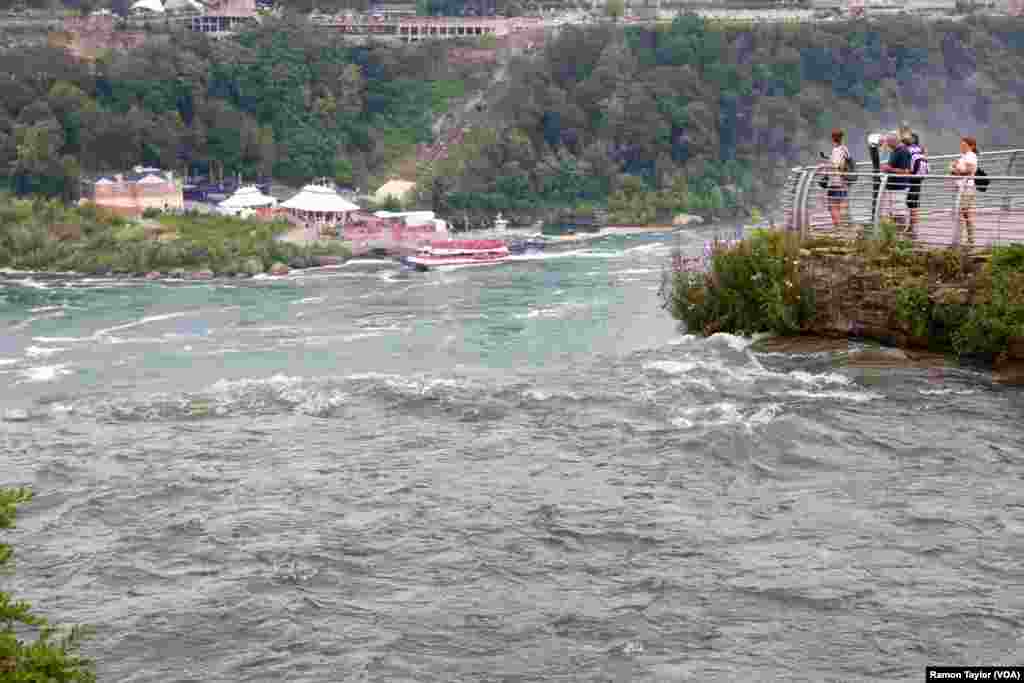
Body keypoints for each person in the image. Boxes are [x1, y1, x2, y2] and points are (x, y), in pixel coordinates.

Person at [881, 129, 913, 229]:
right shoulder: (894, 151)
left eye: (888, 142)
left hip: (899, 188)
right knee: (892, 212)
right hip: (892, 187)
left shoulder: (903, 151)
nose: (887, 145)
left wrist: (889, 169)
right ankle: (895, 233)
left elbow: (906, 172)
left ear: (893, 141)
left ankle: (901, 233)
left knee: (899, 213)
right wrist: (886, 168)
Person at [950, 135, 978, 248]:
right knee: (966, 214)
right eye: (961, 144)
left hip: (967, 188)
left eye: (964, 145)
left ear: (971, 146)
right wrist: (954, 169)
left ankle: (959, 241)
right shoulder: (964, 156)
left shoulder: (970, 156)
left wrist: (955, 170)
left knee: (961, 213)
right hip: (962, 187)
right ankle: (969, 240)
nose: (962, 146)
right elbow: (959, 168)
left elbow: (969, 172)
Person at [825, 128, 850, 229]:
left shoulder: (837, 150)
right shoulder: (845, 149)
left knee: (833, 206)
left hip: (835, 182)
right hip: (844, 181)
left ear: (833, 138)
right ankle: (844, 226)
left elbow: (838, 166)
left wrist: (826, 166)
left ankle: (839, 228)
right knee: (842, 204)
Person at [905, 132, 927, 237]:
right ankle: (913, 228)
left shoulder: (908, 149)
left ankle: (912, 229)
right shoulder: (920, 149)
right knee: (914, 203)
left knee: (910, 203)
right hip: (919, 178)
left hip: (911, 178)